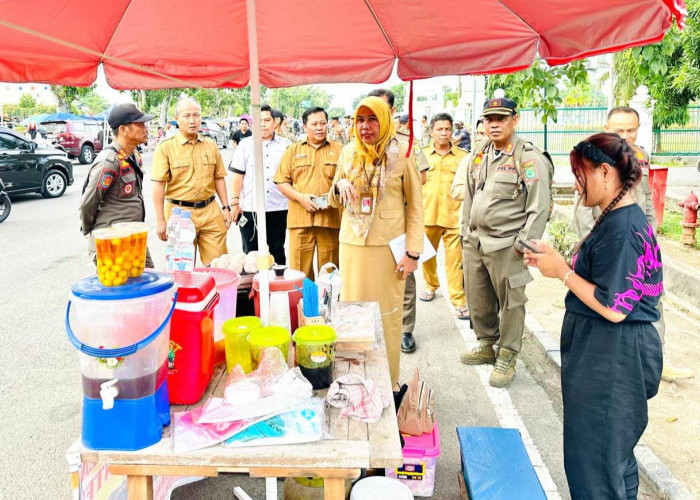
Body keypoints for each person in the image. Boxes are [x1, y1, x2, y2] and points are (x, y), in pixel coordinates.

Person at [524, 133, 662, 499]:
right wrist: (557, 261)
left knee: (595, 466)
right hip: (609, 353)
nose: (576, 182)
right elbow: (606, 281)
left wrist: (562, 273)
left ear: (605, 171)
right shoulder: (618, 219)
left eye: (580, 173)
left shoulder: (624, 229)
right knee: (611, 461)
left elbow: (615, 308)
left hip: (612, 357)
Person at [574, 106, 693, 382]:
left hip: (637, 240)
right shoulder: (595, 158)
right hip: (612, 244)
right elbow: (584, 209)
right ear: (607, 127)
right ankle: (618, 361)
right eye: (619, 130)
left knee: (652, 300)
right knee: (612, 304)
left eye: (631, 130)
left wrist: (649, 235)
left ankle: (655, 358)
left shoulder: (640, 156)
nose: (626, 136)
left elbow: (647, 197)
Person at [329, 96, 424, 386]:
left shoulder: (404, 153)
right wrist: (339, 184)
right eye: (360, 120)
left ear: (384, 120)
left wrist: (413, 253)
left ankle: (388, 382)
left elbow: (416, 206)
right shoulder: (347, 152)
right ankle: (354, 379)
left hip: (387, 250)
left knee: (385, 318)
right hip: (352, 245)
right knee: (352, 315)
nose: (365, 127)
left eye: (372, 119)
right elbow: (333, 199)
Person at [459, 98, 551, 388]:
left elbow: (540, 206)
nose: (494, 124)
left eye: (501, 118)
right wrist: (466, 233)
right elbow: (470, 195)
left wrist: (523, 245)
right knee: (478, 296)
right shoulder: (480, 153)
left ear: (515, 119)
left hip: (507, 244)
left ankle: (508, 354)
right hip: (477, 241)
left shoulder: (527, 157)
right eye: (489, 119)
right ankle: (487, 344)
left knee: (511, 302)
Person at [368, 89, 429, 354]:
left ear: (391, 112)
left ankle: (405, 329)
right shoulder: (361, 142)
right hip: (368, 226)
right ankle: (373, 327)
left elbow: (420, 179)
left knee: (404, 278)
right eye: (366, 115)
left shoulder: (407, 142)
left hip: (398, 223)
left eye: (378, 112)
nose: (371, 121)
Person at [151, 97, 232, 266]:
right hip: (179, 214)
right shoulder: (166, 147)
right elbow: (158, 185)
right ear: (176, 118)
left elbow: (219, 177)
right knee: (183, 270)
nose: (192, 121)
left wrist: (226, 207)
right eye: (186, 116)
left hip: (210, 212)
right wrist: (160, 220)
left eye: (196, 115)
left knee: (219, 266)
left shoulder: (211, 144)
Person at [80, 103, 155, 267]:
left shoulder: (132, 154)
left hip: (134, 238)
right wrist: (92, 233)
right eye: (140, 124)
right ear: (123, 129)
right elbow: (88, 202)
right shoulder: (109, 160)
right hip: (112, 243)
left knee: (150, 284)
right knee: (121, 289)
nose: (145, 128)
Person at [274, 107, 342, 280]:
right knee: (299, 273)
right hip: (300, 220)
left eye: (323, 123)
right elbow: (281, 181)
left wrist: (334, 195)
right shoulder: (293, 150)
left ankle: (328, 306)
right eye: (314, 124)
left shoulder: (341, 150)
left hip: (330, 220)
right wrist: (300, 198)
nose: (319, 127)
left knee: (331, 274)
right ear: (304, 127)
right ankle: (303, 307)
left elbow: (348, 180)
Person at [419, 113, 469, 320]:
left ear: (452, 131)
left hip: (454, 216)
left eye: (447, 129)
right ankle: (431, 286)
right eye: (439, 129)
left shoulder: (463, 156)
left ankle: (459, 299)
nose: (443, 133)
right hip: (427, 215)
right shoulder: (421, 155)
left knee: (455, 261)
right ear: (431, 131)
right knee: (427, 257)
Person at [230, 104, 291, 265]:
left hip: (278, 208)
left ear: (274, 122)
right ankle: (254, 288)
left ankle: (277, 287)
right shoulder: (245, 145)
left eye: (266, 120)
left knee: (277, 251)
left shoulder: (286, 146)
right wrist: (235, 202)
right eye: (258, 121)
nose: (263, 124)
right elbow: (237, 175)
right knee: (251, 255)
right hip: (250, 209)